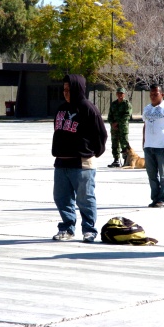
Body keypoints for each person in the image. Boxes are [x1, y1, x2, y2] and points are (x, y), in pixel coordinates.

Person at [52, 74, 107, 243]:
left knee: (85, 198)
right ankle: (67, 228)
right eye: (64, 90)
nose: (66, 93)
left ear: (78, 89)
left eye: (69, 90)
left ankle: (89, 230)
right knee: (61, 197)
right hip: (61, 162)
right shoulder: (61, 109)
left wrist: (92, 152)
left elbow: (101, 135)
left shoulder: (88, 108)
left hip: (82, 162)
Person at [142, 84, 164, 208]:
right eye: (151, 94)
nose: (152, 96)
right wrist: (144, 141)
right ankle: (155, 198)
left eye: (155, 94)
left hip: (162, 147)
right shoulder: (146, 109)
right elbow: (145, 125)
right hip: (149, 147)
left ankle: (163, 199)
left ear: (162, 94)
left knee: (163, 175)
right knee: (152, 175)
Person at [107, 87, 132, 167]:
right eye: (118, 93)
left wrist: (117, 122)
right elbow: (109, 116)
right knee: (114, 144)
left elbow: (127, 116)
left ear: (124, 94)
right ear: (116, 94)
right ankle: (116, 160)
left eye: (121, 93)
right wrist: (112, 123)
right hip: (114, 128)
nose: (120, 95)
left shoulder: (127, 104)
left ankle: (126, 160)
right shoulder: (113, 104)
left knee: (124, 144)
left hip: (122, 127)